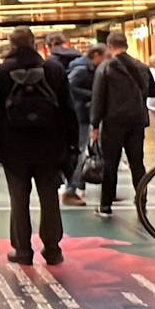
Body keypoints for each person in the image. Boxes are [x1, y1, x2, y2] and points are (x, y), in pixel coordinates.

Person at [0, 27, 77, 263]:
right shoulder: (53, 70)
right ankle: (53, 249)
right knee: (49, 197)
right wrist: (72, 143)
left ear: (11, 44)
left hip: (12, 145)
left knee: (18, 197)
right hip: (50, 144)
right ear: (34, 43)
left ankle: (23, 250)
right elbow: (68, 109)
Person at [90, 33, 155, 217]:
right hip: (137, 121)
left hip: (113, 122)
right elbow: (152, 91)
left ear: (110, 46)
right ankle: (142, 202)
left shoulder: (105, 68)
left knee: (110, 164)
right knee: (137, 163)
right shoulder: (142, 67)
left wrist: (95, 125)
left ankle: (105, 205)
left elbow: (98, 98)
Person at [61, 44, 106, 207]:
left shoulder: (88, 69)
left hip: (84, 115)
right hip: (80, 115)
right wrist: (91, 96)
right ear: (96, 55)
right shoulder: (82, 69)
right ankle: (70, 189)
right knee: (79, 153)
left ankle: (77, 184)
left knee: (82, 152)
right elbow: (70, 86)